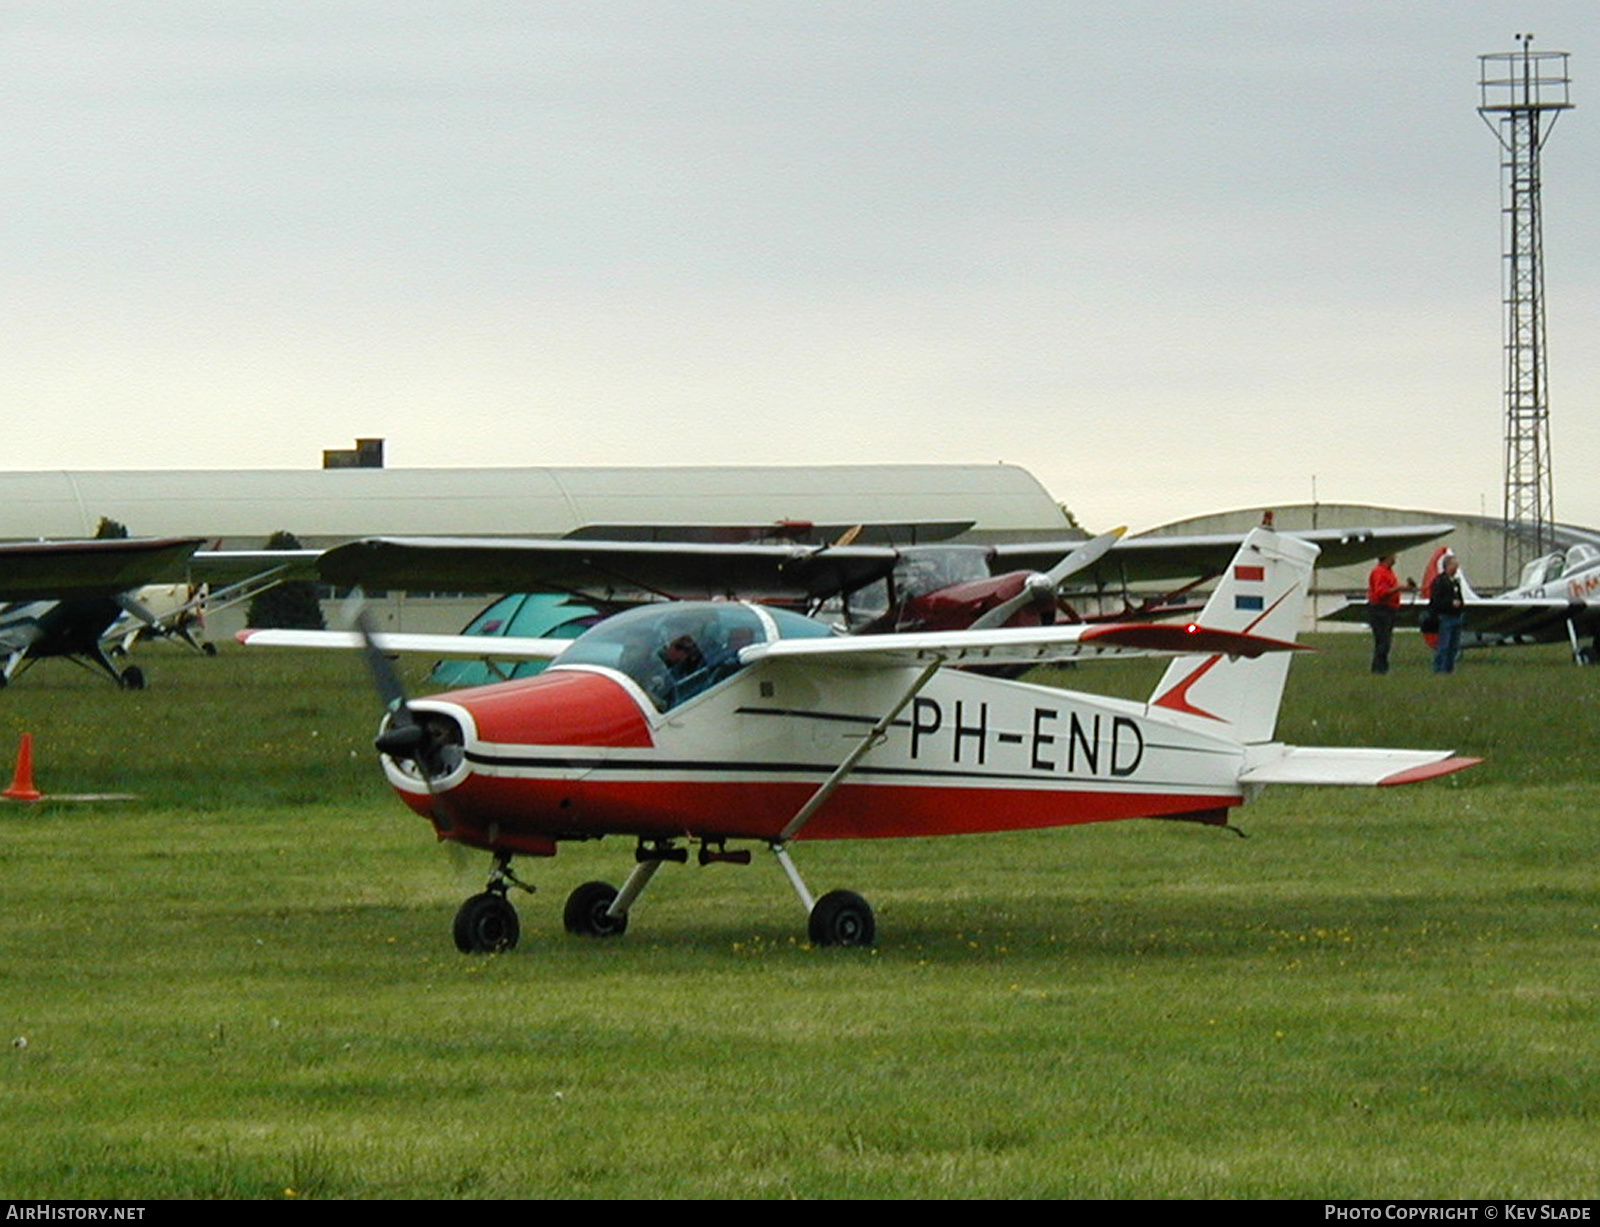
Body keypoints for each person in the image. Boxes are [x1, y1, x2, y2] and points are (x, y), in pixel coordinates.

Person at [1428, 554, 1465, 674]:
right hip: (1445, 617)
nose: (1456, 568)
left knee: (1454, 646)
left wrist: (1460, 605)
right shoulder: (1439, 581)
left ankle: (1449, 669)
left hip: (1456, 617)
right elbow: (1435, 600)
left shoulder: (1455, 582)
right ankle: (1439, 669)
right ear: (1447, 566)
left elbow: (1460, 597)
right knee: (1444, 646)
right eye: (1454, 565)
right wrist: (1450, 603)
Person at [1366, 553, 1402, 673]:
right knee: (1383, 641)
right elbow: (1381, 592)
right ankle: (1379, 669)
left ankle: (1382, 667)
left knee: (1385, 641)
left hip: (1388, 609)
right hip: (1380, 610)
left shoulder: (1388, 571)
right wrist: (1397, 589)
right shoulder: (1380, 572)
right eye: (1393, 556)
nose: (1395, 558)